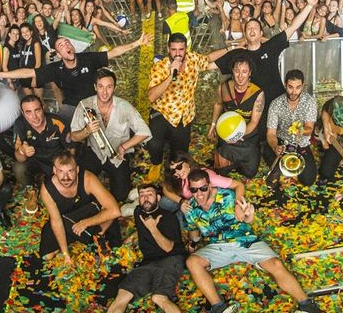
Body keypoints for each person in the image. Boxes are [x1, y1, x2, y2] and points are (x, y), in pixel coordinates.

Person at [182, 169, 322, 313]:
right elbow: (194, 234)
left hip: (245, 239)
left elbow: (246, 218)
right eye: (194, 190)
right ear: (190, 190)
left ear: (210, 186)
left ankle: (307, 305)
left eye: (203, 188)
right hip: (218, 246)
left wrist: (249, 216)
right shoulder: (190, 209)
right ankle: (219, 307)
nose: (199, 194)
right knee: (192, 262)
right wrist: (193, 242)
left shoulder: (228, 196)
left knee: (276, 264)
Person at [0, 33, 150, 124]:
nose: (66, 45)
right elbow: (29, 73)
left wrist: (137, 42)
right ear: (59, 54)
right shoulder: (55, 69)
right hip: (72, 107)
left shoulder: (87, 58)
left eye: (67, 43)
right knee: (64, 132)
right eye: (61, 45)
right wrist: (0, 74)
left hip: (96, 104)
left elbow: (113, 52)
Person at [147, 33, 230, 165]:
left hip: (184, 115)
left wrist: (229, 49)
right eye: (173, 50)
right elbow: (151, 97)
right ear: (168, 49)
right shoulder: (160, 67)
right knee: (153, 145)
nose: (177, 54)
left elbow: (207, 59)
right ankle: (156, 165)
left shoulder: (192, 59)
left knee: (180, 155)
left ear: (186, 49)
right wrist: (170, 76)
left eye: (181, 49)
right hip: (163, 113)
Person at [70, 69, 150, 202]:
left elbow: (145, 132)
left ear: (114, 87)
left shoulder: (125, 106)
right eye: (101, 87)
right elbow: (73, 137)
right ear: (95, 87)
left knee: (120, 196)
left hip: (117, 156)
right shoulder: (85, 105)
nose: (105, 92)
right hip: (95, 151)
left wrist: (124, 147)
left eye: (109, 87)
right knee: (81, 189)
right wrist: (87, 131)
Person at [107, 183, 186, 313]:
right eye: (142, 195)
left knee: (159, 297)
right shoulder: (138, 212)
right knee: (123, 294)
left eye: (150, 194)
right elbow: (141, 232)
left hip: (171, 259)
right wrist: (130, 239)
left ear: (158, 198)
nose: (145, 198)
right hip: (147, 262)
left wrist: (153, 228)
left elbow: (168, 248)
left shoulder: (168, 217)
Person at [39, 152, 122, 261]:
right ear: (54, 171)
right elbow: (56, 221)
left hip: (90, 212)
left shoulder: (88, 178)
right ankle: (88, 237)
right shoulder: (47, 189)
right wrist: (65, 254)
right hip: (66, 219)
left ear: (77, 170)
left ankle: (99, 234)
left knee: (109, 214)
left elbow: (115, 211)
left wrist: (85, 223)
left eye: (70, 171)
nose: (66, 177)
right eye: (61, 171)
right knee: (47, 256)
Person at [210, 54, 265, 178]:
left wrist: (238, 135)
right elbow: (218, 104)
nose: (240, 76)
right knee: (220, 171)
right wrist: (213, 125)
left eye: (244, 72)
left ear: (250, 73)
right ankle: (226, 157)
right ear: (232, 72)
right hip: (227, 135)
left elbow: (254, 123)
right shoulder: (223, 88)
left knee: (250, 173)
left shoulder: (257, 93)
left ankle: (244, 159)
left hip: (248, 136)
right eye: (237, 71)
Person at [265, 70, 318, 185]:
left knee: (308, 180)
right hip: (282, 141)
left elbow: (309, 128)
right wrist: (275, 147)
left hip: (301, 142)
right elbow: (271, 133)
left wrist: (301, 131)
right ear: (285, 85)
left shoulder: (310, 102)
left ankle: (289, 169)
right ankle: (281, 167)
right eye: (290, 87)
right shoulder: (275, 104)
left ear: (303, 86)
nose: (294, 92)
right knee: (270, 157)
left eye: (298, 87)